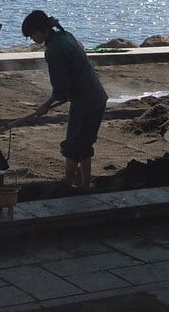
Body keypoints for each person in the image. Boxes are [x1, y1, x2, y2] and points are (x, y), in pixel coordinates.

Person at [21, 10, 108, 191]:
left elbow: (61, 89)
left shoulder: (54, 50)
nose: (32, 38)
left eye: (32, 35)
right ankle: (85, 184)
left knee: (73, 145)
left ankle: (68, 185)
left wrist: (46, 105)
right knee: (84, 144)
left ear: (41, 31)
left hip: (86, 101)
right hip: (96, 97)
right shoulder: (65, 35)